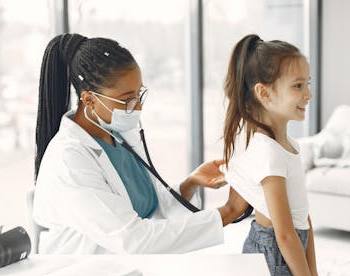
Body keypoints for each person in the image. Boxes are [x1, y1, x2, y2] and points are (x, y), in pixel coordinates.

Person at [32, 33, 248, 254]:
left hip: (128, 270)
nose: (137, 107)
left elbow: (148, 209)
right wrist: (228, 212)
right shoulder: (69, 158)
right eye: (127, 99)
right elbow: (133, 239)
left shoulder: (117, 134)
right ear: (89, 99)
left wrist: (189, 184)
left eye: (139, 94)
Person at [221, 34, 320, 276]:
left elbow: (302, 219)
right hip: (275, 253)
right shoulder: (268, 152)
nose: (308, 95)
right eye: (297, 86)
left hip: (283, 249)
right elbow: (286, 234)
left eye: (308, 83)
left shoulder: (285, 143)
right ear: (263, 93)